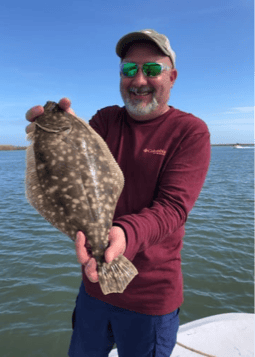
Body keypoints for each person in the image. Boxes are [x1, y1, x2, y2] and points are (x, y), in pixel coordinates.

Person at [26, 29, 211, 357]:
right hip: (94, 291)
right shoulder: (106, 120)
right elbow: (72, 170)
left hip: (150, 300)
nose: (139, 79)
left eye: (152, 69)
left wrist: (124, 233)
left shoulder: (190, 131)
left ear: (172, 76)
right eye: (129, 69)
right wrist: (48, 138)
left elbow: (173, 208)